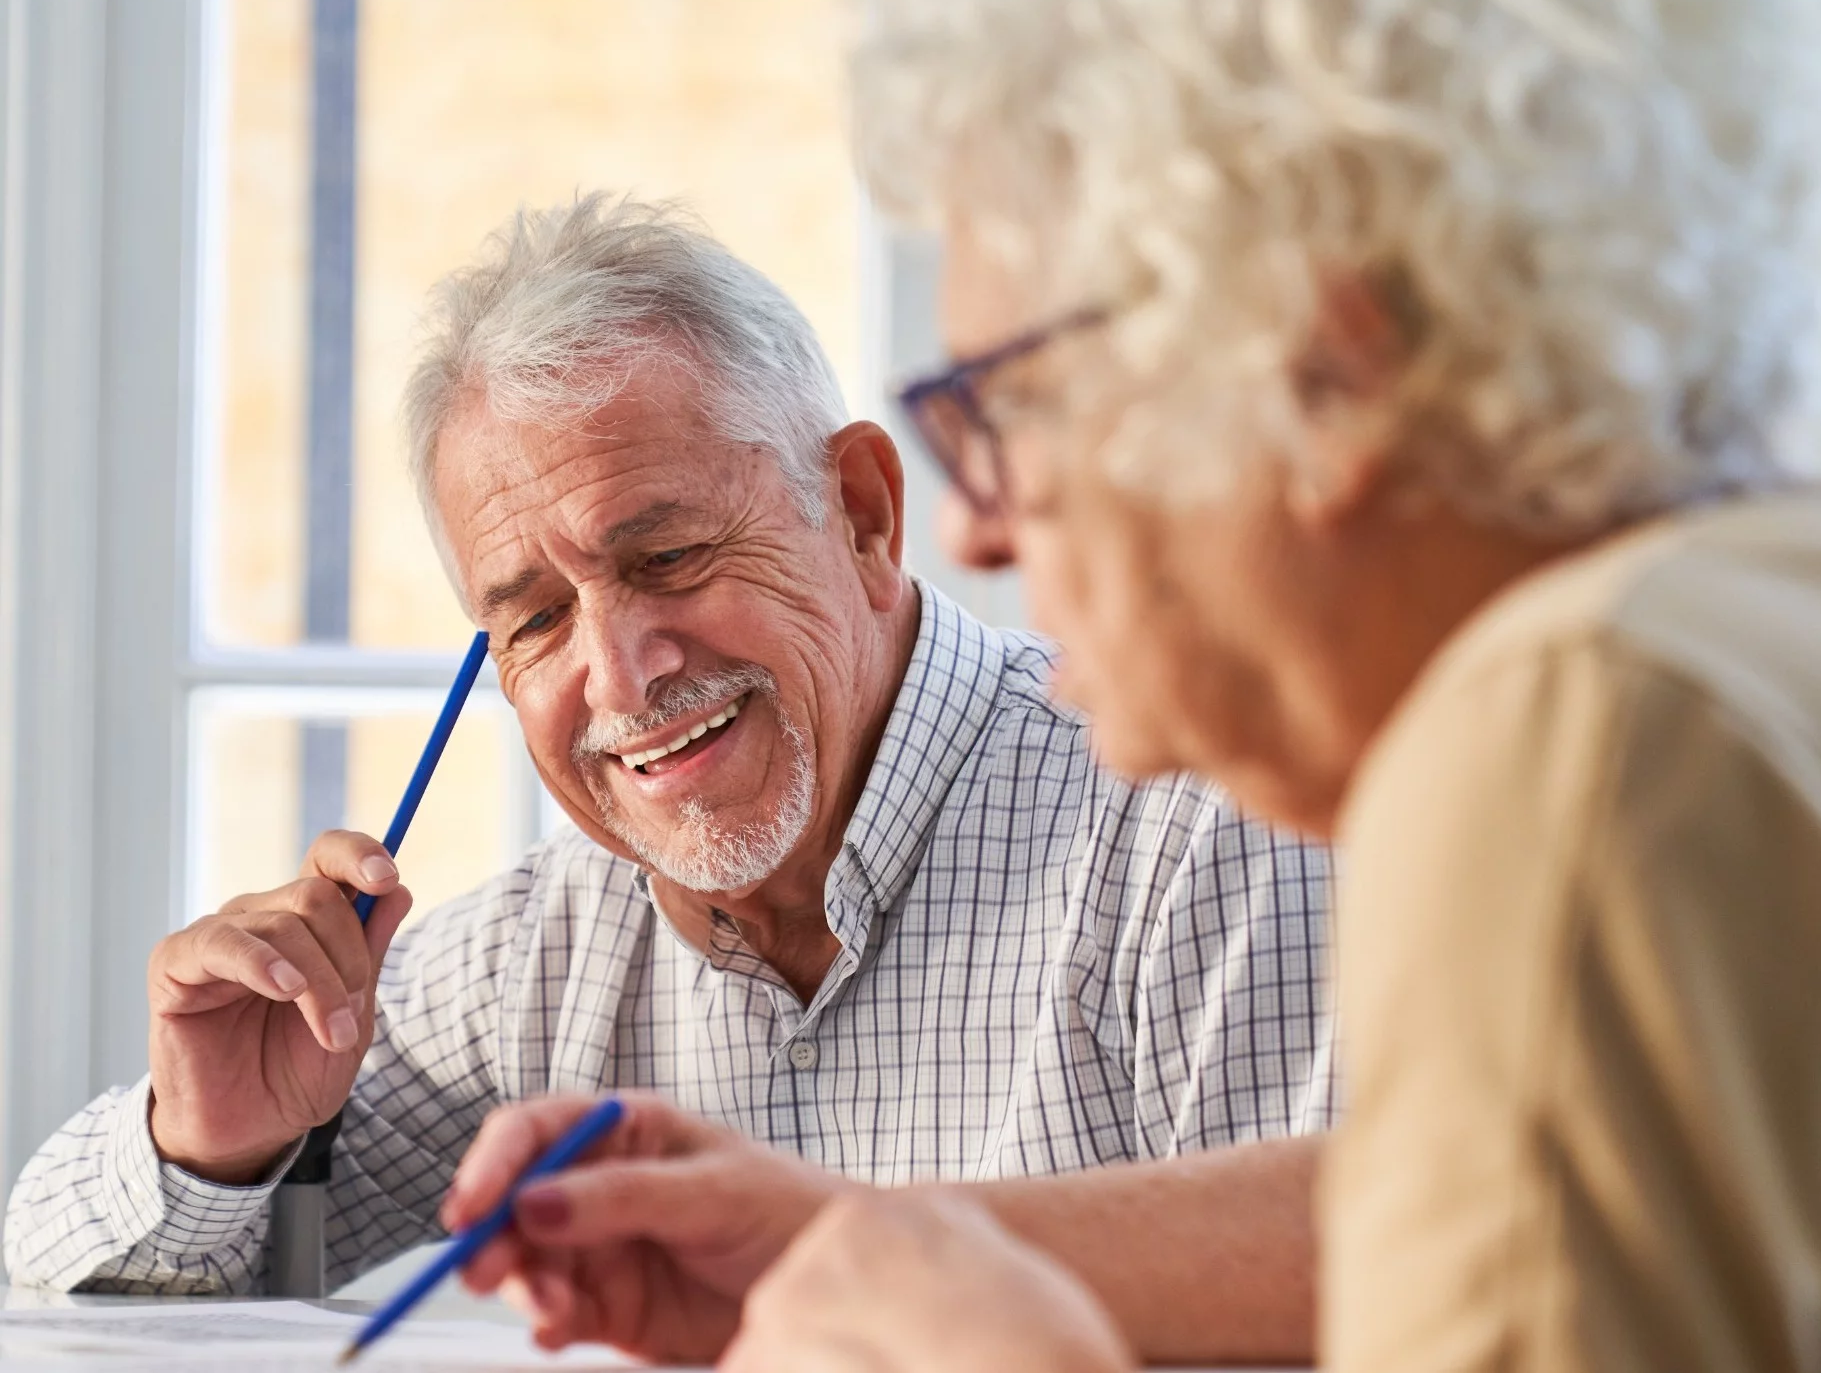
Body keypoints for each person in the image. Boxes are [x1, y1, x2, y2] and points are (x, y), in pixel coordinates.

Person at [448, 0, 1821, 1371]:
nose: (974, 526)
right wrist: (852, 1237)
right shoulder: (1743, 624)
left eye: (1008, 407)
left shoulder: (1555, 735)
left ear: (1325, 370)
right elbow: (1473, 1213)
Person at [2, 196, 1335, 1348]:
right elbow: (55, 1282)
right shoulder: (544, 951)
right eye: (533, 619)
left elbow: (1386, 1308)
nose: (624, 673)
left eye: (669, 558)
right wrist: (209, 1141)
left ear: (864, 512)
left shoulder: (1197, 838)